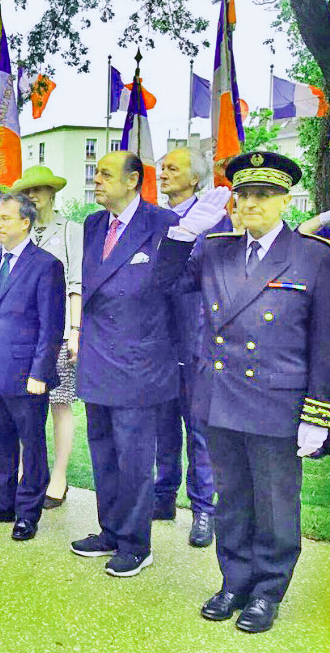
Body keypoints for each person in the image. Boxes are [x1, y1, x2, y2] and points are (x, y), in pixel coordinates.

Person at [156, 152, 330, 634]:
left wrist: (319, 412)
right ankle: (234, 581)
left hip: (277, 400)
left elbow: (324, 343)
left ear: (285, 199)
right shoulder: (215, 248)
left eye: (264, 195)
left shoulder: (314, 256)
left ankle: (268, 590)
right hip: (220, 395)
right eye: (245, 195)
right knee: (231, 499)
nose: (252, 203)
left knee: (274, 503)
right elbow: (163, 282)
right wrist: (183, 233)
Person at [70, 150, 179, 577]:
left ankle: (137, 543)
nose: (96, 180)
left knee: (134, 457)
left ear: (133, 180)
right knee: (103, 452)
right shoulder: (95, 224)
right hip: (98, 357)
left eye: (105, 174)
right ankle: (111, 530)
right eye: (95, 173)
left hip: (140, 361)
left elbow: (178, 291)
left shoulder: (162, 224)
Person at [0, 193, 65, 539]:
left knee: (31, 442)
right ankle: (1, 504)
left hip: (27, 374)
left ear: (25, 222)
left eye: (5, 218)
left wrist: (40, 371)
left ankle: (28, 512)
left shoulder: (46, 265)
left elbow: (51, 325)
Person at [155, 148, 223, 547]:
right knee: (162, 427)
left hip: (196, 340)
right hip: (158, 342)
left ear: (195, 179)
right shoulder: (157, 218)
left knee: (198, 431)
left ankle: (203, 511)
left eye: (172, 168)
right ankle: (163, 498)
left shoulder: (213, 221)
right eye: (161, 167)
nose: (163, 174)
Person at [13, 165, 83, 509]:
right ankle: (30, 473)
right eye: (28, 191)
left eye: (39, 190)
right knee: (27, 407)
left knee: (60, 403)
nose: (33, 196)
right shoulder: (20, 233)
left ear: (52, 194)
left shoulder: (70, 230)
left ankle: (59, 476)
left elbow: (75, 284)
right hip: (25, 334)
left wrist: (74, 330)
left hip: (57, 331)